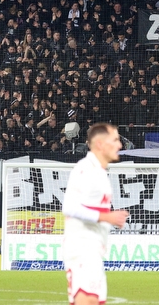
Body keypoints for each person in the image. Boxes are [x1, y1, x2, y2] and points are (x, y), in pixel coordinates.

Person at [62, 123, 130, 305]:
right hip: (82, 248)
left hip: (93, 249)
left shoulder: (99, 172)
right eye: (114, 140)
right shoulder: (86, 169)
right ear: (100, 144)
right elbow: (69, 207)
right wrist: (107, 217)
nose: (120, 145)